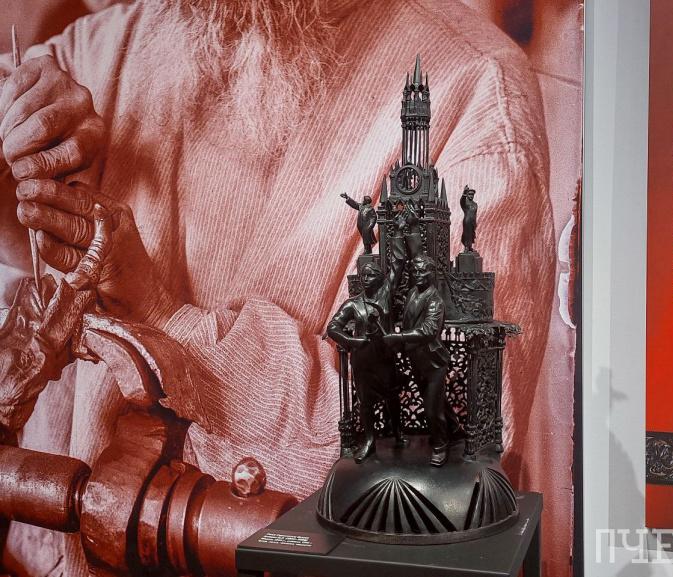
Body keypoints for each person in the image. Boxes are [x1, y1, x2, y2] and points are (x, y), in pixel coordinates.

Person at [0, 1, 554, 573]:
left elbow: (428, 470)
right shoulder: (136, 33)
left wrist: (167, 318)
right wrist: (12, 132)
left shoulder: (474, 97)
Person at [326, 260, 407, 463]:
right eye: (363, 275)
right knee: (365, 402)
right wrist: (352, 341)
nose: (366, 279)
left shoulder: (385, 294)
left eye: (371, 275)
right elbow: (333, 327)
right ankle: (370, 440)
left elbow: (397, 265)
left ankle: (398, 432)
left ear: (380, 278)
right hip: (363, 360)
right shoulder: (353, 304)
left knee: (392, 396)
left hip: (384, 358)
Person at [383, 254, 457, 467]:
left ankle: (440, 445)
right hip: (416, 359)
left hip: (434, 363)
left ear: (432, 273)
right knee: (435, 400)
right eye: (415, 271)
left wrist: (400, 337)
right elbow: (408, 322)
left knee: (432, 408)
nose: (418, 274)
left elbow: (429, 330)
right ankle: (454, 428)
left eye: (423, 270)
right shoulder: (412, 293)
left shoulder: (435, 300)